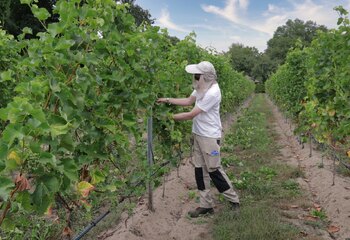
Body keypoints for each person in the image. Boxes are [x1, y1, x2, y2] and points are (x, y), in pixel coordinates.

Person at [157, 61, 240, 218]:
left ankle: (233, 201)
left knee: (214, 169)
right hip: (199, 134)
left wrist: (167, 118)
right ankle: (205, 205)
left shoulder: (213, 92)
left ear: (205, 77)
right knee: (200, 170)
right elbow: (188, 101)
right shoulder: (202, 88)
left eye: (197, 75)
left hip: (209, 137)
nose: (194, 78)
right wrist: (167, 99)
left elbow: (190, 114)